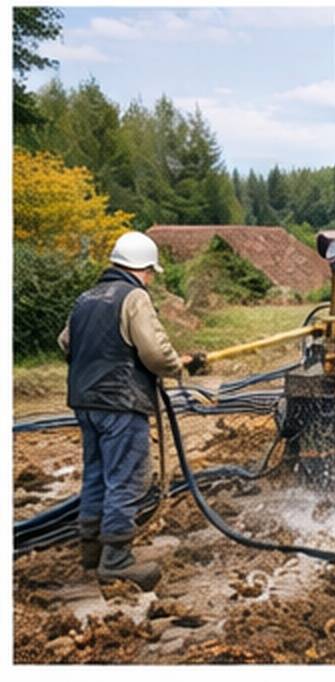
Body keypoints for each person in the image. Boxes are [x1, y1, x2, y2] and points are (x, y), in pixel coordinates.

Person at [58, 231, 192, 591]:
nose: (150, 279)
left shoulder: (86, 297)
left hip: (85, 401)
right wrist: (176, 365)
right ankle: (116, 560)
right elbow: (155, 352)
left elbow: (65, 342)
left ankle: (91, 549)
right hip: (120, 401)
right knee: (126, 478)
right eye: (150, 273)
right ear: (143, 268)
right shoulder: (134, 297)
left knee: (97, 473)